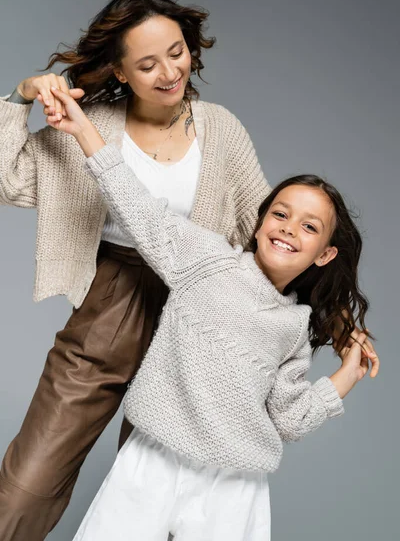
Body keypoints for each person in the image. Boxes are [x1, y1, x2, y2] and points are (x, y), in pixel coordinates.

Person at [46, 86, 379, 541]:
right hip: (153, 458)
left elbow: (289, 418)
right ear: (260, 223)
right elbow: (138, 207)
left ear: (324, 255)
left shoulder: (294, 328)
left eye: (309, 227)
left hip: (233, 487)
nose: (288, 229)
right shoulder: (205, 259)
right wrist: (83, 129)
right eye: (280, 214)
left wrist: (349, 374)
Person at [0, 0, 271, 541]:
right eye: (147, 63)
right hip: (111, 302)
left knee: (154, 504)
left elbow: (264, 234)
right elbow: (7, 180)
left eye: (177, 52)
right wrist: (18, 96)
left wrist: (337, 317)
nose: (169, 72)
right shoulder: (86, 123)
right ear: (120, 71)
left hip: (196, 320)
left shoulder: (221, 130)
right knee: (28, 485)